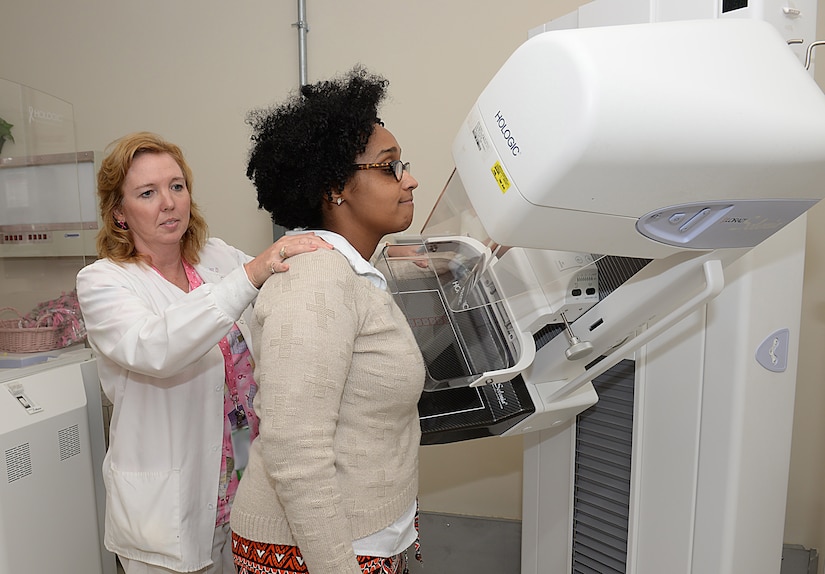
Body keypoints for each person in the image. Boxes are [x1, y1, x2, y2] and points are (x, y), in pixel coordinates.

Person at [75, 131, 332, 574]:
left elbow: (294, 283)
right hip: (172, 509)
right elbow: (156, 346)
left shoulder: (216, 258)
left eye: (177, 186)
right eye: (147, 193)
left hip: (247, 489)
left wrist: (366, 260)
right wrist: (252, 272)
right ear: (119, 213)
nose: (169, 202)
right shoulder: (103, 281)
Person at [229, 67, 426, 574]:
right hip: (318, 555)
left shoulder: (351, 273)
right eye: (389, 168)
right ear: (336, 186)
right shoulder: (315, 279)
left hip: (372, 537)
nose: (410, 178)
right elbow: (296, 449)